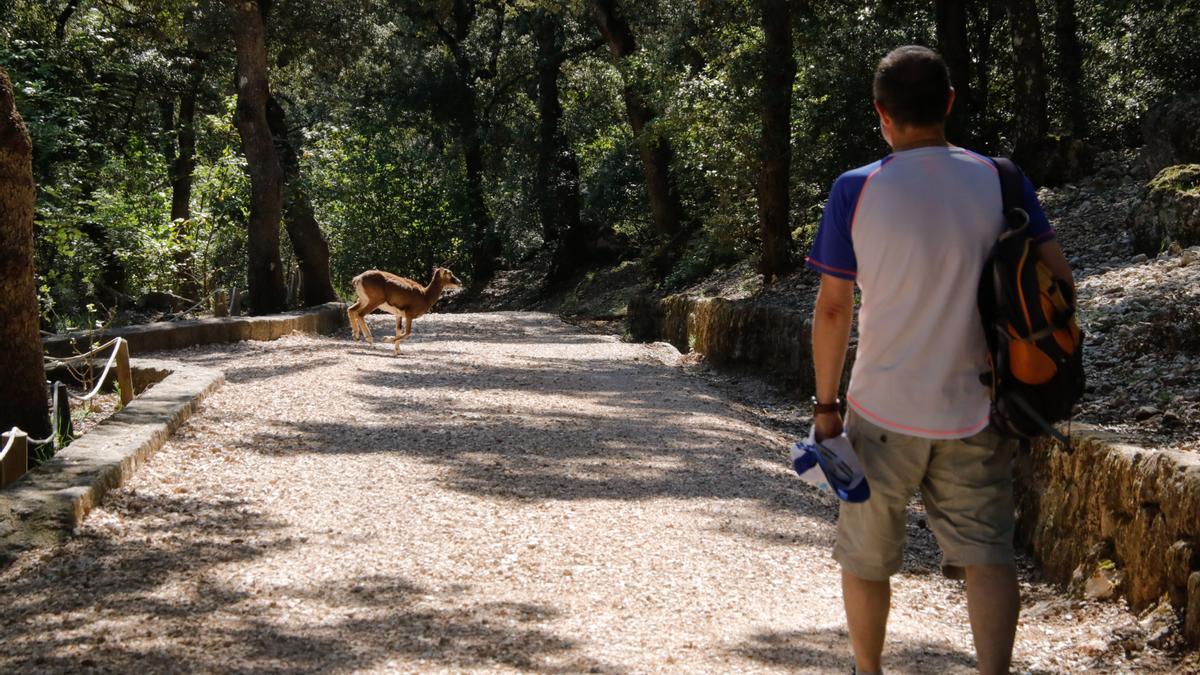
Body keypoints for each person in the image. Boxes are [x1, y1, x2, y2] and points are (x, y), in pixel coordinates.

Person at [805, 45, 1074, 675]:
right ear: (949, 103)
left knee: (867, 558)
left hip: (881, 409)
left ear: (882, 115)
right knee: (987, 554)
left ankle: (868, 670)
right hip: (980, 406)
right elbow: (1057, 280)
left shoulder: (856, 189)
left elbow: (834, 309)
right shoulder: (1001, 178)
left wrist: (826, 407)